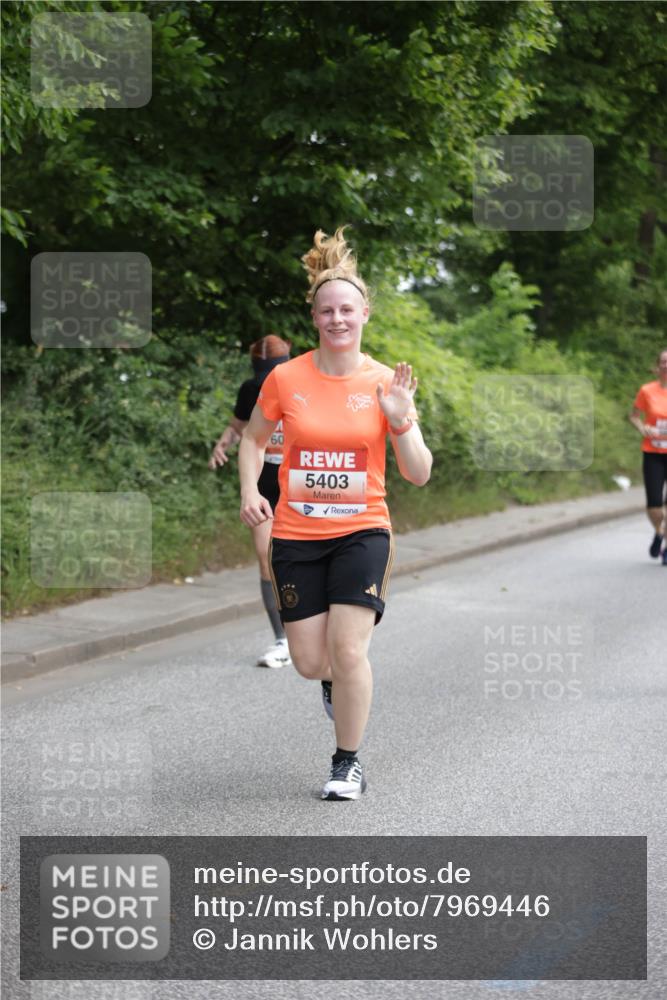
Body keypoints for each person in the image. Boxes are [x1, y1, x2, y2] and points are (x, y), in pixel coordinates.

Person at [238, 227, 432, 800]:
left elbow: (419, 472)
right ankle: (334, 683)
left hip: (361, 532)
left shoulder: (385, 383)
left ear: (364, 313)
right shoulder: (286, 377)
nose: (337, 319)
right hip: (296, 534)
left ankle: (347, 762)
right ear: (315, 317)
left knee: (349, 651)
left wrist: (400, 420)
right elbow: (253, 438)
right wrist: (250, 489)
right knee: (308, 661)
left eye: (347, 309)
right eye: (327, 310)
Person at [209, 335, 293, 667]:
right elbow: (238, 427)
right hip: (263, 484)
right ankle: (282, 639)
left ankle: (314, 627)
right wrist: (222, 444)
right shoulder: (251, 389)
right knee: (266, 557)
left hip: (303, 484)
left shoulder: (304, 384)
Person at [629, 348, 667, 564]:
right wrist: (643, 428)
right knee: (654, 505)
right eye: (664, 361)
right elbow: (634, 416)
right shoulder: (647, 390)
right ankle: (659, 532)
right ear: (658, 366)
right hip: (653, 453)